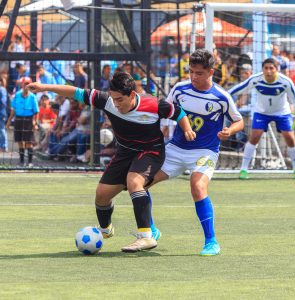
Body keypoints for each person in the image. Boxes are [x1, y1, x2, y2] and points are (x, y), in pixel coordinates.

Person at [27, 72, 196, 252]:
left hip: (150, 152)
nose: (115, 104)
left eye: (120, 100)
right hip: (124, 153)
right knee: (102, 195)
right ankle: (105, 229)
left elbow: (178, 112)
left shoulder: (153, 104)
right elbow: (75, 92)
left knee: (134, 181)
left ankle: (146, 236)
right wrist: (45, 87)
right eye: (113, 99)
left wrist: (187, 129)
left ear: (132, 95)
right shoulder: (107, 100)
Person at [149, 49, 244, 256]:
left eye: (199, 73)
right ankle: (151, 230)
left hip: (205, 151)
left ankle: (211, 242)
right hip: (175, 149)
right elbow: (166, 110)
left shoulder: (221, 96)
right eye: (190, 71)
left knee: (197, 186)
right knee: (139, 183)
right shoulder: (180, 89)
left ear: (211, 72)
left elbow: (239, 120)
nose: (193, 77)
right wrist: (163, 128)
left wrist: (230, 130)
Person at [229, 58, 295, 179]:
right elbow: (237, 89)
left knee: (290, 138)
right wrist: (223, 97)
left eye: (271, 68)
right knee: (254, 136)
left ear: (276, 69)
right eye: (266, 68)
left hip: (282, 112)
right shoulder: (255, 79)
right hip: (261, 112)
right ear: (262, 69)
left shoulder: (285, 81)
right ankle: (243, 170)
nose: (268, 71)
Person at [6, 77, 39, 167]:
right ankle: (21, 161)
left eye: (28, 84)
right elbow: (13, 109)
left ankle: (30, 162)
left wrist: (35, 123)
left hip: (29, 120)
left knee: (29, 141)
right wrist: (9, 121)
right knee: (20, 141)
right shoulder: (17, 95)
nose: (27, 86)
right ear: (22, 85)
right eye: (25, 84)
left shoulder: (33, 96)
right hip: (18, 119)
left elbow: (36, 111)